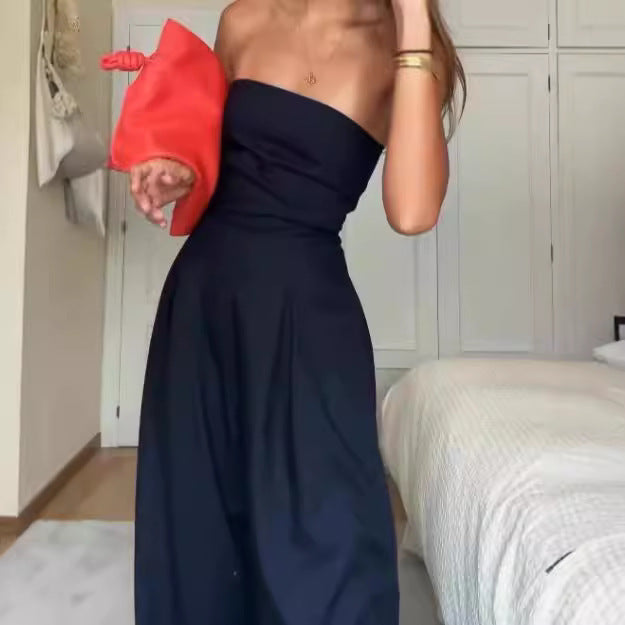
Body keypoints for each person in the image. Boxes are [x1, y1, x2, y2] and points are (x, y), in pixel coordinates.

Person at [130, 1, 465, 623]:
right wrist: (178, 170)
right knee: (201, 526)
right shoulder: (244, 20)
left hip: (308, 316)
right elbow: (209, 158)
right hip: (204, 302)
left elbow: (413, 211)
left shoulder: (406, 49)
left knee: (328, 533)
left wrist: (415, 18)